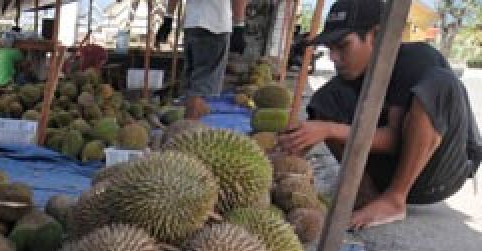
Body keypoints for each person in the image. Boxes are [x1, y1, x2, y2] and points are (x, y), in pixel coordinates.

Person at [278, 0, 482, 230]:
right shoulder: (350, 80)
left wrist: (328, 129)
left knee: (442, 84)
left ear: (377, 35)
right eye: (330, 49)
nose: (333, 57)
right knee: (325, 100)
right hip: (386, 172)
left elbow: (395, 140)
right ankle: (366, 195)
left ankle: (395, 199)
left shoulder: (416, 59)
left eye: (342, 46)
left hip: (439, 173)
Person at [157, 0, 248, 98]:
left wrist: (168, 18)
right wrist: (239, 26)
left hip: (192, 25)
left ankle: (187, 108)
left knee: (190, 82)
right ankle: (198, 110)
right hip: (215, 27)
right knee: (206, 87)